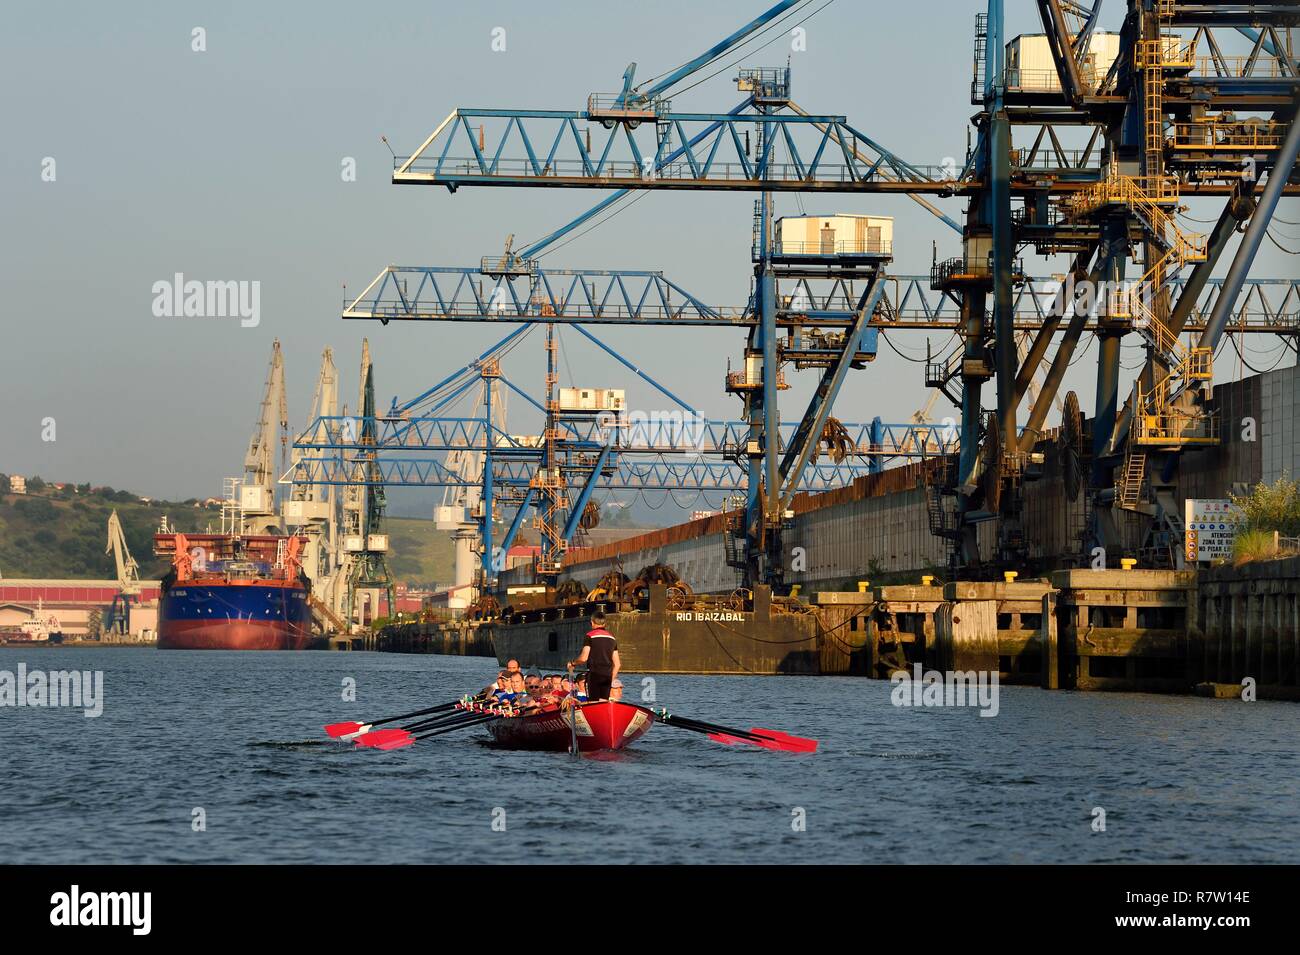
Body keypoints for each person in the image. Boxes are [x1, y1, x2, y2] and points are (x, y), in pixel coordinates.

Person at [570, 613, 620, 701]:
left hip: (594, 675)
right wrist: (610, 679)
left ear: (592, 622)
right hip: (607, 676)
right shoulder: (612, 638)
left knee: (593, 703)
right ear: (604, 623)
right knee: (603, 703)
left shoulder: (589, 636)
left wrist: (572, 663)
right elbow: (617, 664)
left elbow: (583, 658)